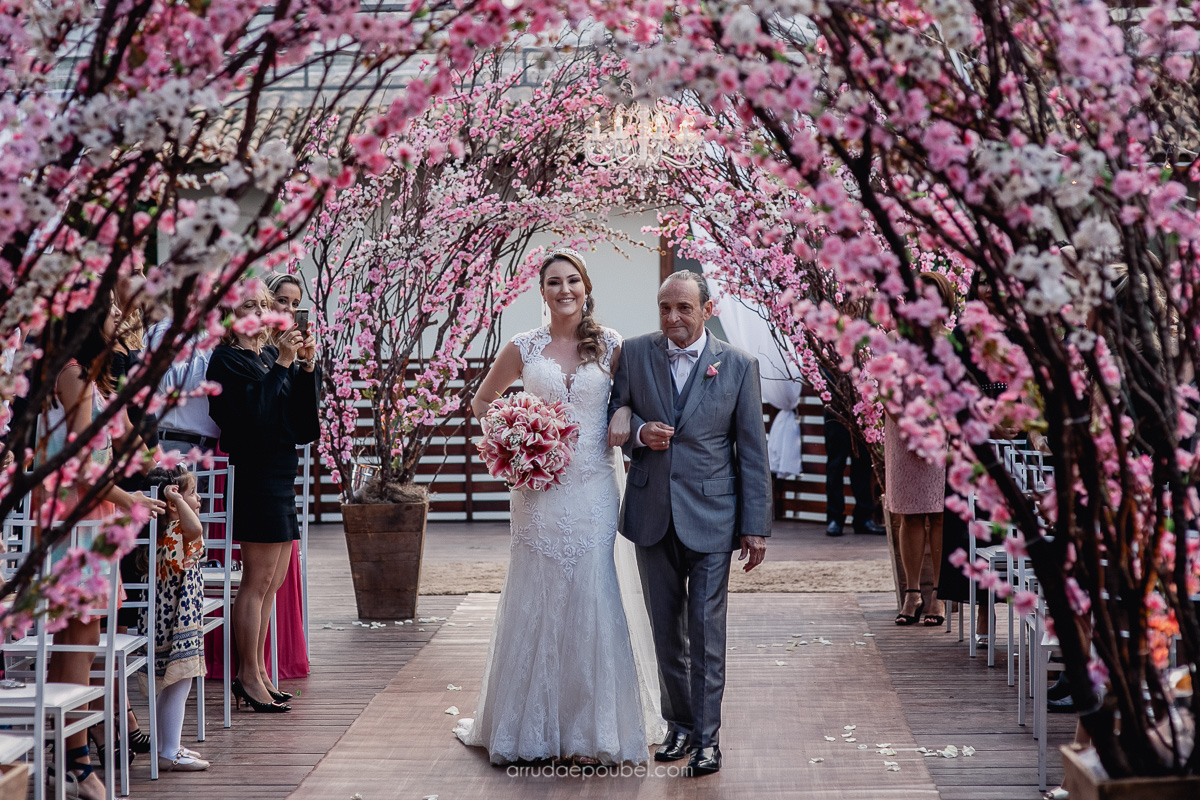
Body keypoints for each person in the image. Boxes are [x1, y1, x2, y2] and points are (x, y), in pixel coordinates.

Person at [455, 248, 664, 765]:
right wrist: (514, 433)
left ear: (586, 286)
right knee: (540, 592)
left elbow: (634, 396)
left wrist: (625, 413)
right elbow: (482, 403)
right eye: (554, 282)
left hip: (593, 486)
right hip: (538, 490)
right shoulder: (522, 347)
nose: (564, 289)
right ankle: (530, 727)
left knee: (594, 592)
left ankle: (593, 730)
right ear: (541, 291)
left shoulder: (612, 344)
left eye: (573, 281)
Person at [607, 270, 772, 777]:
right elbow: (612, 412)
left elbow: (752, 449)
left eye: (683, 308)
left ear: (707, 309)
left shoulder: (740, 366)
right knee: (665, 631)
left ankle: (707, 738)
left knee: (705, 633)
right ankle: (676, 725)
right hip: (651, 514)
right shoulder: (634, 353)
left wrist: (755, 525)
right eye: (664, 308)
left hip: (713, 517)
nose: (672, 318)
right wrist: (637, 431)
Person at [36, 294, 165, 799]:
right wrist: (128, 495)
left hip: (94, 514)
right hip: (76, 518)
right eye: (112, 313)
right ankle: (75, 760)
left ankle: (68, 750)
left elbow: (121, 440)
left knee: (86, 639)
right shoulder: (72, 376)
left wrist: (160, 469)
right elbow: (83, 465)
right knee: (78, 638)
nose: (121, 320)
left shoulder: (94, 375)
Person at [206, 281, 319, 712]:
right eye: (248, 304)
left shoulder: (270, 355)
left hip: (280, 470)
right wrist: (283, 365)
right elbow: (254, 416)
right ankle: (247, 675)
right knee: (255, 581)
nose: (258, 310)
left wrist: (304, 369)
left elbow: (298, 422)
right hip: (254, 472)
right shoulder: (226, 360)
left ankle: (261, 670)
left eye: (262, 305)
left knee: (276, 581)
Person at [886, 271, 954, 627]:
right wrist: (911, 427)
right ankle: (912, 593)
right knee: (908, 514)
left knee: (940, 514)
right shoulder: (895, 339)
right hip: (903, 435)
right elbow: (887, 392)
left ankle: (939, 595)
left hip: (943, 437)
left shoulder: (953, 342)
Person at [141, 466, 210, 771]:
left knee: (172, 685)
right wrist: (178, 499)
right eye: (193, 494)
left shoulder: (164, 532)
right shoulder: (173, 531)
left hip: (175, 617)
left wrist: (178, 500)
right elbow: (195, 530)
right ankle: (169, 748)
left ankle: (166, 744)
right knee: (179, 681)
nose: (198, 499)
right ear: (173, 504)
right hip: (176, 621)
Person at [823, 406, 884, 536]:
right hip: (835, 407)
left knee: (863, 463)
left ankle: (864, 518)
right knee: (836, 465)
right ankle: (834, 517)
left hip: (862, 407)